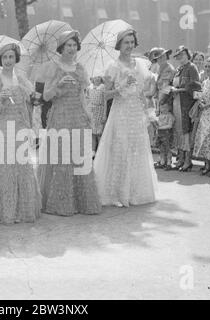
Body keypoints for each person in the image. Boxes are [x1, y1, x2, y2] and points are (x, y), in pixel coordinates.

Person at [38, 30, 101, 216]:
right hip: (60, 117)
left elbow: (83, 95)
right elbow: (46, 96)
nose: (72, 49)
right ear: (61, 48)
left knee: (80, 157)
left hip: (78, 116)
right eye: (68, 46)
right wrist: (58, 85)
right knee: (62, 157)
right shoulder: (53, 67)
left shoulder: (80, 68)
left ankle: (82, 201)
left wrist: (87, 114)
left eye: (74, 45)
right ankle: (62, 203)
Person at [0, 42, 42, 224]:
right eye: (5, 57)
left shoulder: (22, 79)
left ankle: (22, 208)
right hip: (2, 128)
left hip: (20, 127)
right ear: (0, 60)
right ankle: (4, 209)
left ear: (16, 59)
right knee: (3, 166)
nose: (8, 60)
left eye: (11, 57)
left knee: (21, 165)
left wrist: (35, 98)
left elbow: (33, 100)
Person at [94, 28, 158, 208]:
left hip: (136, 113)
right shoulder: (112, 66)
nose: (129, 46)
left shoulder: (140, 64)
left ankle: (134, 191)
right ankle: (116, 192)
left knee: (137, 150)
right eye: (126, 43)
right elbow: (105, 95)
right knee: (120, 150)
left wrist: (148, 113)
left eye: (132, 42)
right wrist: (121, 85)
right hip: (120, 113)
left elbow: (144, 92)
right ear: (119, 45)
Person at [170, 46, 201, 172]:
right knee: (179, 130)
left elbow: (196, 86)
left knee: (186, 131)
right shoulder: (179, 69)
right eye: (178, 55)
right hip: (177, 102)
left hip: (186, 103)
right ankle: (181, 158)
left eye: (182, 54)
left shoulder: (192, 67)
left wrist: (180, 90)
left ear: (188, 55)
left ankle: (188, 160)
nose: (180, 57)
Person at [153, 94, 175, 170]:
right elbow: (157, 124)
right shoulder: (160, 115)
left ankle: (169, 162)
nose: (163, 109)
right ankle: (162, 162)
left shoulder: (170, 116)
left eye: (166, 107)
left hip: (167, 134)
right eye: (162, 107)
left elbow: (170, 125)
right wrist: (156, 124)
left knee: (168, 149)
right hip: (160, 134)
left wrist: (160, 127)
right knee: (161, 149)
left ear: (169, 107)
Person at [86, 76, 107, 153]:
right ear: (93, 79)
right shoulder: (89, 88)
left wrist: (104, 114)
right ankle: (93, 151)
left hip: (100, 111)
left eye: (99, 77)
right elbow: (87, 99)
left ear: (101, 79)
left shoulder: (103, 88)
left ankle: (100, 151)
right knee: (92, 133)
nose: (97, 79)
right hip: (91, 111)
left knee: (99, 133)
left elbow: (105, 102)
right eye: (95, 77)